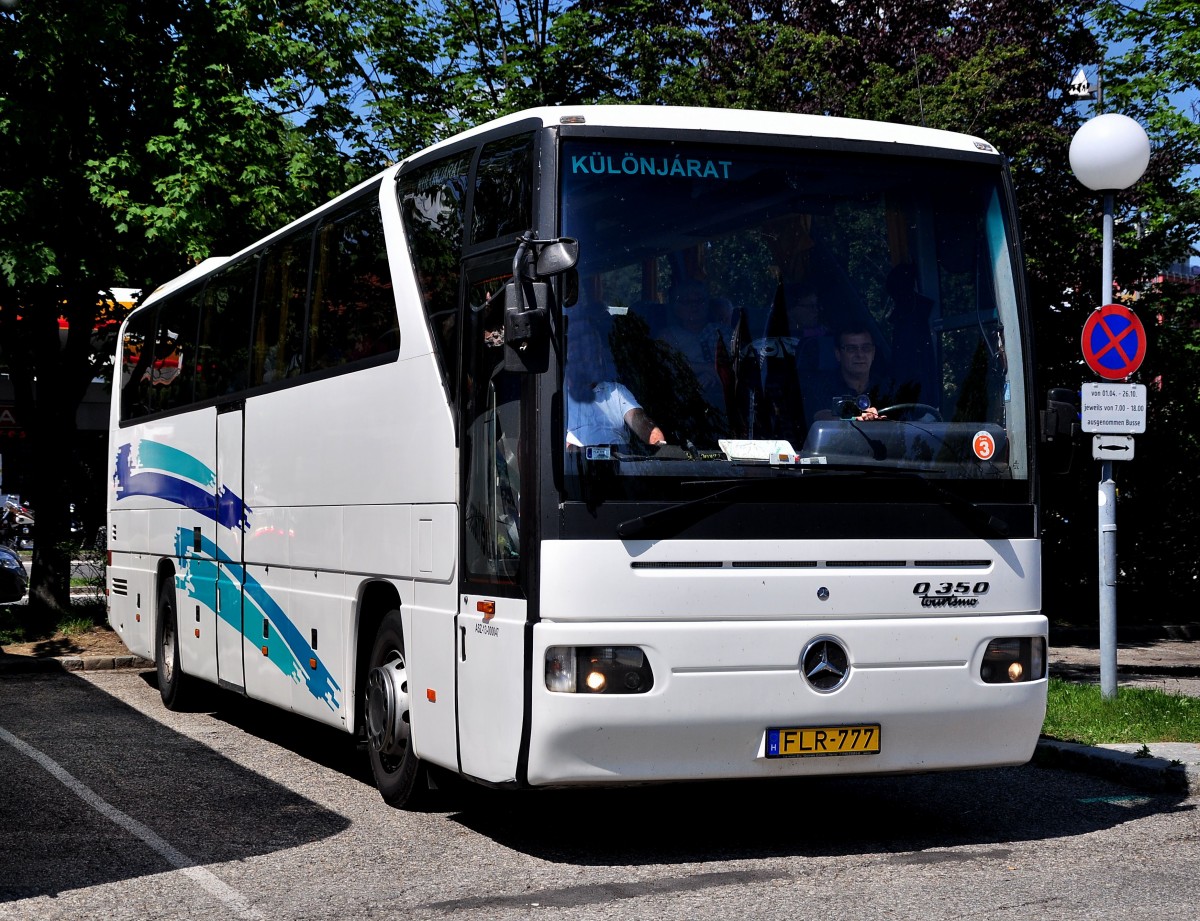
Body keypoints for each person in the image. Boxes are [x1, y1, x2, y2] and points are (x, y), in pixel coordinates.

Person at [566, 320, 666, 448]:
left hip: (621, 464)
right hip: (576, 465)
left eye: (594, 352)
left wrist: (656, 439)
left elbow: (640, 422)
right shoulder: (558, 397)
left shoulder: (617, 392)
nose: (590, 359)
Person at [805, 326, 890, 422]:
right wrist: (856, 415)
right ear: (838, 354)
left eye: (866, 348)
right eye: (851, 349)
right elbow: (820, 416)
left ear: (873, 353)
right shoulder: (821, 386)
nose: (860, 355)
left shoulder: (886, 388)